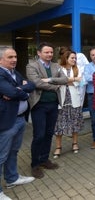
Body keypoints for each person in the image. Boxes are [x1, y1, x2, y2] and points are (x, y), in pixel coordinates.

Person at [26, 42, 69, 179]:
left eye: (51, 52)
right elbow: (36, 83)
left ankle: (44, 159)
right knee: (39, 135)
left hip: (53, 104)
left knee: (49, 133)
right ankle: (35, 164)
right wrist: (55, 86)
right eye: (46, 52)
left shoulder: (56, 66)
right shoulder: (32, 65)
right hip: (39, 105)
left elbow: (65, 79)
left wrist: (50, 79)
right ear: (39, 53)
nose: (50, 54)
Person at [0, 47, 35, 200]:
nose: (14, 59)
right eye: (10, 57)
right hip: (7, 121)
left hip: (20, 118)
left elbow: (32, 85)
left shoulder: (15, 73)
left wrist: (18, 89)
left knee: (13, 151)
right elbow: (14, 93)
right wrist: (20, 90)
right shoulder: (0, 74)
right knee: (1, 156)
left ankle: (12, 178)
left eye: (15, 56)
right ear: (1, 60)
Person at [53, 50, 84, 158]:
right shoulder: (58, 68)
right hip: (61, 100)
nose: (74, 60)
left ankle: (75, 143)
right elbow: (56, 81)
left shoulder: (77, 69)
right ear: (66, 58)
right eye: (72, 58)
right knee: (59, 124)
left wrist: (66, 80)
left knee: (74, 122)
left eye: (75, 58)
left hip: (74, 99)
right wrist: (70, 80)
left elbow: (78, 81)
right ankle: (58, 147)